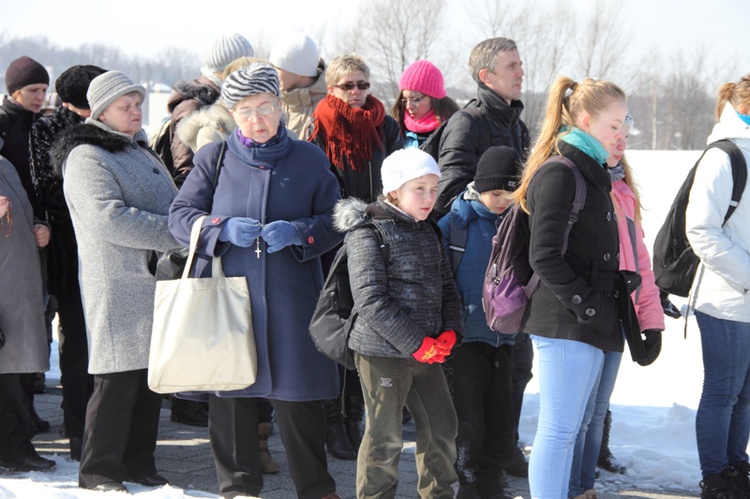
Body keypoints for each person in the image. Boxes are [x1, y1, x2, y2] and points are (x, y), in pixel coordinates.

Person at [169, 62, 343, 499]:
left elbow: (336, 219)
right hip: (231, 299)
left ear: (280, 106)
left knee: (298, 399)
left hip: (292, 298)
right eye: (245, 111)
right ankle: (238, 489)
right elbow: (180, 217)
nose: (257, 119)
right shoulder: (215, 157)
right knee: (231, 399)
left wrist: (301, 232)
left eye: (265, 107)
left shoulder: (309, 157)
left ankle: (317, 489)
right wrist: (219, 228)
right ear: (233, 113)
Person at [511, 76, 640, 499]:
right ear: (585, 121)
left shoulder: (595, 175)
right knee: (559, 429)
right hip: (564, 322)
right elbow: (543, 255)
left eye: (625, 124)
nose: (622, 134)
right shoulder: (561, 172)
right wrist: (587, 306)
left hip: (588, 321)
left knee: (575, 426)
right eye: (614, 125)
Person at [53, 70, 179, 492]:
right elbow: (107, 218)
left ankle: (139, 463)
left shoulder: (138, 147)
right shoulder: (88, 154)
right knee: (116, 384)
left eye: (139, 103)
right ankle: (99, 472)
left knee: (149, 380)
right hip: (119, 283)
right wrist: (175, 232)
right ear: (102, 111)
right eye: (126, 106)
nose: (136, 111)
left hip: (153, 281)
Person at [333, 147, 463, 498]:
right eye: (418, 188)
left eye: (433, 189)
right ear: (394, 190)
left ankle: (439, 492)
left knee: (442, 426)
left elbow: (447, 287)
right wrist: (416, 344)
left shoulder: (429, 230)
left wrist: (451, 331)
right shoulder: (367, 233)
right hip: (383, 354)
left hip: (429, 352)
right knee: (385, 436)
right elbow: (371, 301)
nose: (429, 198)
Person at [309, 53, 403, 460]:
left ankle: (356, 418)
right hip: (334, 238)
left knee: (369, 328)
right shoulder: (319, 127)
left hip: (379, 236)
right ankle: (334, 422)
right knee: (338, 326)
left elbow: (399, 178)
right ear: (332, 88)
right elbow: (315, 186)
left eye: (363, 84)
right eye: (348, 85)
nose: (357, 92)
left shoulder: (387, 125)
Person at [568, 112, 665, 499]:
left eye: (626, 136)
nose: (623, 142)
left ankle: (584, 486)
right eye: (616, 134)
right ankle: (566, 485)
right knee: (573, 414)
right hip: (583, 308)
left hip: (618, 311)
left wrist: (651, 321)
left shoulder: (624, 191)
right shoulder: (576, 182)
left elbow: (640, 262)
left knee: (596, 412)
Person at [29, 64, 106, 462]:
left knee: (98, 343)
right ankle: (80, 433)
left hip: (104, 253)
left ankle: (101, 429)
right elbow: (48, 190)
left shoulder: (112, 130)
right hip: (69, 251)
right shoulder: (47, 131)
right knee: (77, 344)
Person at [437, 145, 522, 499]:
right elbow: (439, 280)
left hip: (508, 337)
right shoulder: (455, 224)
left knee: (502, 419)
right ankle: (467, 482)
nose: (501, 200)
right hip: (466, 337)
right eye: (495, 193)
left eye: (509, 193)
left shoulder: (521, 222)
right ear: (479, 186)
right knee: (469, 420)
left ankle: (492, 481)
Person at [685, 74, 750, 499]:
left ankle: (736, 469)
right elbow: (702, 230)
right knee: (723, 392)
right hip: (726, 300)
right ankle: (716, 477)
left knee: (745, 397)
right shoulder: (724, 155)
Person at [0, 55, 52, 434]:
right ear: (13, 91)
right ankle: (16, 417)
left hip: (35, 225)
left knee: (38, 319)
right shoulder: (4, 125)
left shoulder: (42, 126)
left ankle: (26, 409)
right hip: (9, 234)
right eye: (34, 90)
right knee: (15, 330)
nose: (40, 97)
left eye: (45, 90)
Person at [435, 37, 529, 216]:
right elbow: (448, 196)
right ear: (485, 76)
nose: (521, 72)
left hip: (508, 238)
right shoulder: (466, 123)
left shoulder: (519, 127)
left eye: (520, 64)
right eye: (511, 66)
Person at [0, 158, 54, 473]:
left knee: (17, 376)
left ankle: (17, 444)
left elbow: (26, 211)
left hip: (19, 288)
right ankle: (11, 448)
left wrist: (40, 228)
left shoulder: (5, 164)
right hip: (7, 293)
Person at [165, 33, 254, 187]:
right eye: (244, 66)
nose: (249, 73)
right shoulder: (192, 108)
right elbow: (186, 173)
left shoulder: (229, 99)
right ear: (227, 69)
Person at [389, 59, 458, 148]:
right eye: (405, 100)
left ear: (433, 98)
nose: (409, 106)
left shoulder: (453, 130)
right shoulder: (395, 130)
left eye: (416, 99)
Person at [270, 32, 327, 139]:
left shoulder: (330, 108)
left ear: (298, 70)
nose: (272, 73)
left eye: (277, 68)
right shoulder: (272, 105)